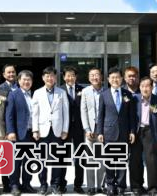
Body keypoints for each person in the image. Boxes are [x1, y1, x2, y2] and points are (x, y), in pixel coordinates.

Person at [96, 67, 136, 196]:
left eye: (117, 77)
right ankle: (110, 185)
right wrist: (99, 132)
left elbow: (132, 115)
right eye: (112, 77)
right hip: (108, 132)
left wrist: (132, 131)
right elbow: (100, 115)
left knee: (122, 161)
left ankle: (121, 186)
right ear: (108, 79)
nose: (115, 80)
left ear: (122, 79)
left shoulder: (127, 94)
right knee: (109, 161)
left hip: (124, 132)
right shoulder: (104, 95)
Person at [32, 67, 70, 196]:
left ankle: (55, 185)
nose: (50, 78)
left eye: (52, 76)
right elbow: (35, 113)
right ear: (43, 78)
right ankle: (43, 185)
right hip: (42, 131)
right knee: (41, 159)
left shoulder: (61, 92)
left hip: (57, 131)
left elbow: (66, 112)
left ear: (55, 78)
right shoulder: (37, 93)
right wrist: (35, 130)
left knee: (57, 159)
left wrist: (65, 129)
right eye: (47, 76)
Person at [130, 77, 157, 196]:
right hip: (137, 132)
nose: (145, 88)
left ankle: (153, 188)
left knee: (152, 160)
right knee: (135, 160)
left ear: (152, 87)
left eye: (147, 86)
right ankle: (136, 187)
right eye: (142, 86)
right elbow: (130, 117)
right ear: (139, 87)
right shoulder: (134, 99)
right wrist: (131, 132)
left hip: (151, 131)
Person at [6, 70, 37, 196]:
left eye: (29, 80)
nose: (26, 82)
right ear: (19, 81)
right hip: (18, 134)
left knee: (29, 160)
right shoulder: (13, 94)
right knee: (16, 161)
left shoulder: (35, 94)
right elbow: (9, 115)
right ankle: (14, 185)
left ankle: (26, 184)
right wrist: (10, 131)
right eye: (24, 79)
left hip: (32, 134)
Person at [80, 67, 106, 196]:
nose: (95, 77)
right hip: (90, 130)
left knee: (101, 160)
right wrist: (86, 129)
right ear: (89, 78)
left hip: (103, 130)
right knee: (90, 159)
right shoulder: (85, 91)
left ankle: (100, 185)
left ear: (101, 77)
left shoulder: (107, 91)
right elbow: (83, 111)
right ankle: (91, 186)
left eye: (97, 74)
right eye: (92, 75)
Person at [61, 66, 85, 194]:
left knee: (80, 157)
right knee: (63, 156)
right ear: (64, 77)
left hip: (79, 129)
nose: (70, 78)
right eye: (68, 75)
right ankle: (61, 183)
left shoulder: (82, 90)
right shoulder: (59, 90)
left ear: (76, 77)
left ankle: (78, 184)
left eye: (72, 75)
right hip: (64, 129)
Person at [0, 64, 19, 193]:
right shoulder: (1, 88)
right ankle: (7, 185)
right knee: (6, 158)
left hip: (19, 128)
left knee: (17, 157)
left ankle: (16, 183)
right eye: (8, 72)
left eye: (13, 72)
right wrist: (7, 130)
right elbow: (1, 111)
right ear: (4, 75)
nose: (11, 74)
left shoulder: (20, 86)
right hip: (6, 129)